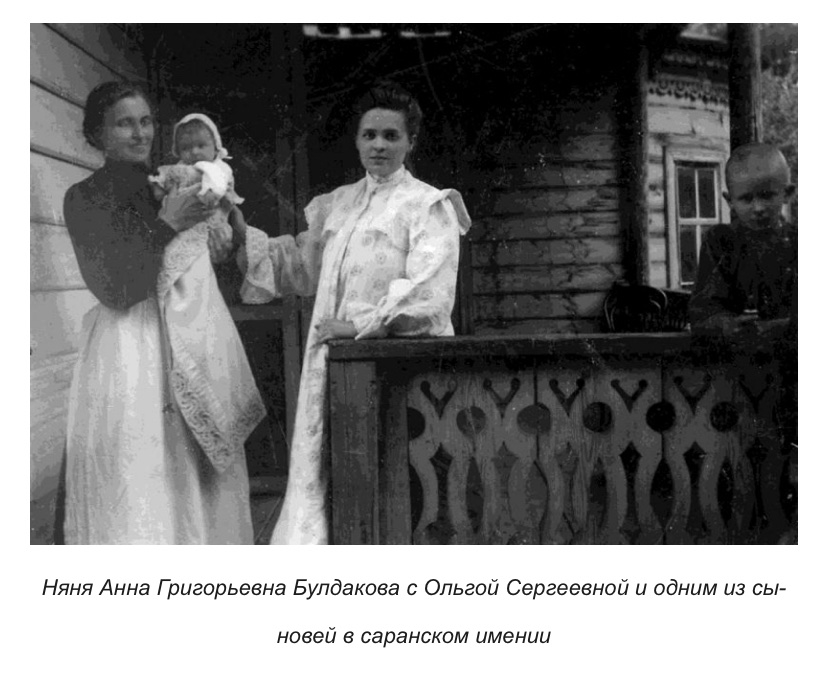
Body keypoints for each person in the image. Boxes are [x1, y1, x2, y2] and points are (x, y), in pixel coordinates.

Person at [234, 82, 472, 544]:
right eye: (369, 135)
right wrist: (240, 230)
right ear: (357, 141)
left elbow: (430, 295)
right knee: (339, 473)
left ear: (411, 142)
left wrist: (358, 326)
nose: (379, 145)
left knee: (401, 481)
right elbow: (303, 268)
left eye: (391, 135)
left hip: (399, 367)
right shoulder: (339, 204)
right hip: (333, 366)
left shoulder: (428, 204)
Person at [62, 81, 266, 544]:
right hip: (130, 348)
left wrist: (219, 243)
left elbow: (202, 264)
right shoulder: (85, 197)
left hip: (191, 333)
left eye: (146, 122)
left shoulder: (175, 182)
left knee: (196, 473)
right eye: (124, 124)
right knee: (142, 472)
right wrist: (168, 223)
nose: (140, 134)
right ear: (96, 134)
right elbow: (115, 288)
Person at [689, 142, 796, 338]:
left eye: (767, 196)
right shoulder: (721, 242)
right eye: (746, 199)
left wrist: (784, 327)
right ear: (730, 201)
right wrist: (726, 324)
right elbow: (702, 311)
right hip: (738, 351)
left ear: (787, 194)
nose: (758, 208)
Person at [150, 113, 243, 264]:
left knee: (213, 245)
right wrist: (159, 186)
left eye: (201, 146)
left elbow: (219, 183)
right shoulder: (179, 167)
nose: (194, 152)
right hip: (181, 223)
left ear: (215, 147)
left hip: (210, 219)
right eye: (186, 148)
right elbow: (165, 175)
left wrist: (212, 193)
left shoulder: (218, 167)